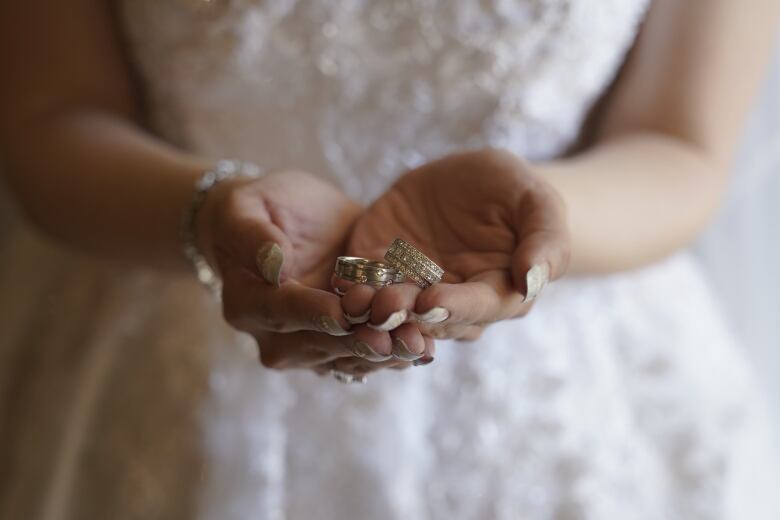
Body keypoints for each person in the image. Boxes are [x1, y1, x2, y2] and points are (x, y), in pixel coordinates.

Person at [1, 0, 778, 518]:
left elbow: (681, 143)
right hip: (153, 356)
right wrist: (208, 215)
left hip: (563, 392)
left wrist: (536, 218)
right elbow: (53, 113)